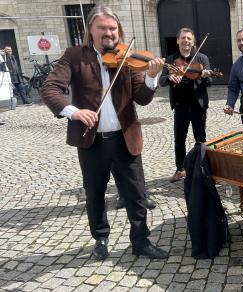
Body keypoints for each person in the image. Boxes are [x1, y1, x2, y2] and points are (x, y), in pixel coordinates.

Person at [40, 5, 169, 260]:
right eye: (103, 28)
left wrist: (152, 78)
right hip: (92, 142)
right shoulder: (75, 56)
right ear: (91, 29)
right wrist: (73, 111)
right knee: (95, 193)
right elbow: (50, 88)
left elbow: (141, 99)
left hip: (125, 139)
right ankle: (100, 238)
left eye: (113, 28)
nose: (109, 33)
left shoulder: (127, 58)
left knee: (136, 193)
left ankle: (141, 241)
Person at [159, 28, 212, 183]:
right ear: (178, 40)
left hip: (198, 105)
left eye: (189, 38)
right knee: (179, 139)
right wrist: (170, 77)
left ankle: (201, 168)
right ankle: (180, 169)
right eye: (183, 38)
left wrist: (206, 76)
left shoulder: (202, 59)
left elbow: (210, 82)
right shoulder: (171, 59)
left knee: (200, 139)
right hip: (180, 105)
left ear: (193, 41)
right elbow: (161, 81)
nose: (186, 41)